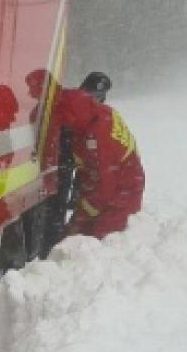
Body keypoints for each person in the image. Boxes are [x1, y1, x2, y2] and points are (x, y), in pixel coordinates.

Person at [51, 75, 145, 239]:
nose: (66, 128)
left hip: (122, 192)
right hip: (110, 181)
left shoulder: (98, 140)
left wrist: (81, 219)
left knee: (100, 240)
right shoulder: (96, 111)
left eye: (67, 123)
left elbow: (104, 188)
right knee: (77, 235)